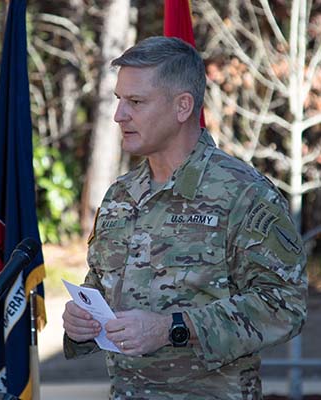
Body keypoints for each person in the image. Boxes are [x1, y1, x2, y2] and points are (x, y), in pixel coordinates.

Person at [62, 36, 307, 399]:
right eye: (118, 100)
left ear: (182, 107)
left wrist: (173, 328)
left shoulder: (242, 193)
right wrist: (81, 322)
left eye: (136, 102)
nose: (119, 115)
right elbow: (101, 287)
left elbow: (285, 305)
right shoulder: (120, 196)